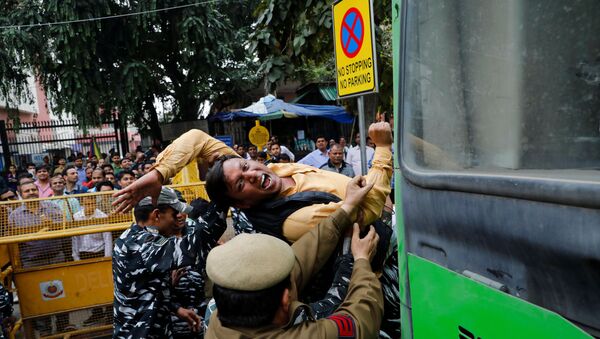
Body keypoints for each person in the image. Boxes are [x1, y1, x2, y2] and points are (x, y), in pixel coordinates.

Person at [205, 176, 382, 338]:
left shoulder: (218, 320)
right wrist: (361, 262)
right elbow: (361, 318)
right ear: (285, 299)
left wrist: (345, 211)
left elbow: (300, 258)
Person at [112, 187, 226, 338]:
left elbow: (148, 289)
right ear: (157, 215)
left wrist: (176, 309)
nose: (177, 219)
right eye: (174, 214)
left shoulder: (134, 236)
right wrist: (224, 197)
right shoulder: (141, 245)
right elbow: (194, 246)